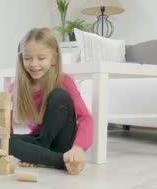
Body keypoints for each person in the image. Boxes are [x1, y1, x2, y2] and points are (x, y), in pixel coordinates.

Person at [6, 27, 93, 175]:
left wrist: (78, 147)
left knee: (59, 95)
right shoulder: (15, 87)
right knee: (4, 142)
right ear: (21, 59)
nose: (34, 64)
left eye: (41, 58)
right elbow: (6, 131)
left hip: (62, 141)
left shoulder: (64, 81)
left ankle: (41, 156)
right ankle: (57, 160)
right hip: (40, 140)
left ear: (53, 58)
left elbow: (85, 118)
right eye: (27, 58)